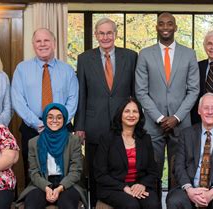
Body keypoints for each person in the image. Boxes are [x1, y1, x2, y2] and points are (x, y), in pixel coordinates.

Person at [75, 17, 138, 206]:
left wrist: (136, 120)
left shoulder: (131, 56)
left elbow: (135, 93)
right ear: (95, 35)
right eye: (101, 33)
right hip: (94, 125)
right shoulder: (84, 58)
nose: (105, 37)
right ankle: (95, 204)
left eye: (109, 33)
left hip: (124, 124)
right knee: (96, 171)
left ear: (115, 34)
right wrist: (79, 126)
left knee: (124, 168)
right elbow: (81, 94)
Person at [135, 12, 200, 194]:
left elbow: (194, 90)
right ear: (156, 27)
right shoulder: (145, 54)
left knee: (179, 171)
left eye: (169, 24)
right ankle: (152, 203)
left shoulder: (189, 54)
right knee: (151, 170)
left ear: (175, 27)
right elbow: (141, 91)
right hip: (152, 124)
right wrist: (161, 118)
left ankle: (176, 203)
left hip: (181, 124)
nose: (165, 27)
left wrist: (177, 117)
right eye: (161, 24)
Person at [12, 28, 79, 185]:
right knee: (34, 175)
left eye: (46, 40)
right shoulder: (22, 69)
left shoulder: (67, 70)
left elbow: (73, 100)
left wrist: (58, 122)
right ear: (33, 44)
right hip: (32, 129)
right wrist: (37, 123)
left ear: (54, 43)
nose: (42, 44)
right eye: (38, 41)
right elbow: (18, 100)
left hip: (63, 129)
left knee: (64, 173)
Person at [167, 93, 213, 209]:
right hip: (191, 187)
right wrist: (190, 190)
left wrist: (212, 192)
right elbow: (178, 166)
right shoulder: (186, 135)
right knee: (175, 201)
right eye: (206, 108)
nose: (210, 112)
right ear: (199, 111)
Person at [93, 98, 160, 209]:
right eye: (127, 111)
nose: (131, 115)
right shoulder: (107, 139)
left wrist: (141, 184)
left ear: (140, 115)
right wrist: (123, 187)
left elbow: (153, 171)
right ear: (120, 114)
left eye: (135, 111)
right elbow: (100, 174)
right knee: (131, 205)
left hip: (138, 185)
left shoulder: (145, 139)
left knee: (152, 204)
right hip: (113, 187)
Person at [17, 103, 87, 209]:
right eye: (50, 117)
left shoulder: (73, 141)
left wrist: (60, 188)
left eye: (59, 117)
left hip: (67, 183)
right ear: (45, 119)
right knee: (31, 205)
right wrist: (46, 187)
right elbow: (33, 172)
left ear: (64, 120)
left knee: (67, 205)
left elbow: (76, 171)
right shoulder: (33, 143)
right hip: (42, 183)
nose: (54, 120)